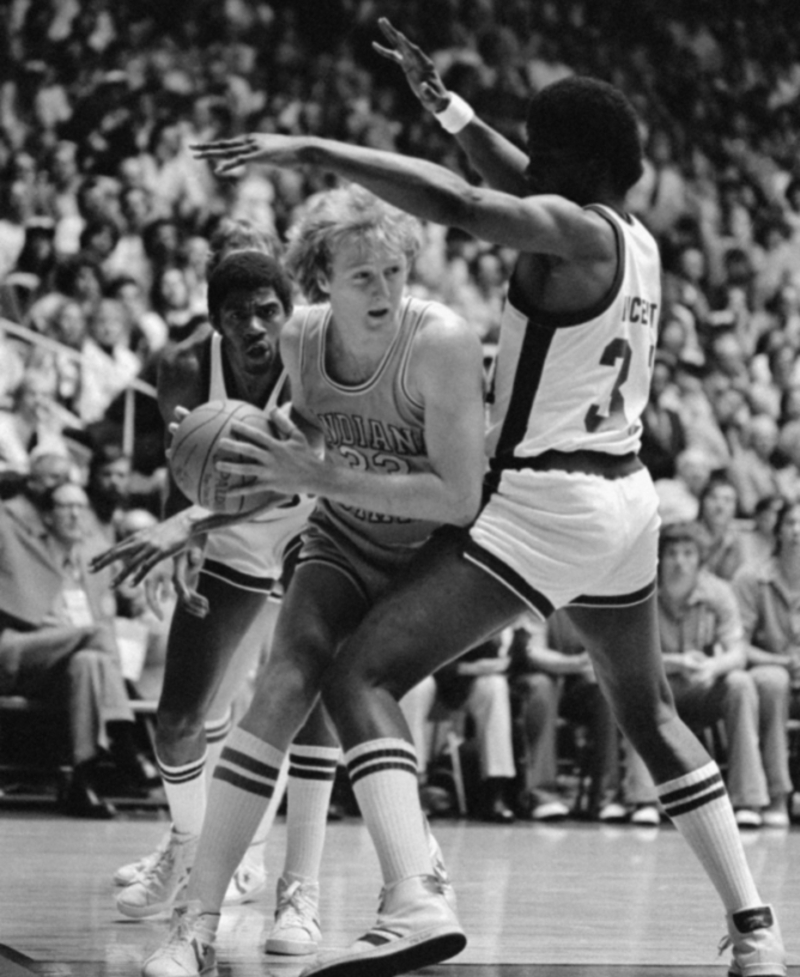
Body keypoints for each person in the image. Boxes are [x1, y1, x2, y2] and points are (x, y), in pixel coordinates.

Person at [187, 20, 787, 977]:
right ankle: (758, 931)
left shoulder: (573, 234)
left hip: (544, 504)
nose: (526, 160)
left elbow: (468, 197)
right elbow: (510, 174)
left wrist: (315, 148)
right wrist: (449, 108)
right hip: (627, 506)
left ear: (566, 166)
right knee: (650, 712)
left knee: (357, 674)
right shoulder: (632, 237)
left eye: (539, 150)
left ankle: (416, 903)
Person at [136, 182, 485, 977]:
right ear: (321, 275)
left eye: (397, 272)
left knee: (354, 682)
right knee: (280, 686)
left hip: (434, 553)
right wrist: (194, 520)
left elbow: (459, 497)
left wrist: (320, 476)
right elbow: (285, 469)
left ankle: (390, 884)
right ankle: (194, 922)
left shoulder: (442, 341)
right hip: (340, 537)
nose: (387, 292)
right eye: (365, 276)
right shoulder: (297, 343)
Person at [90, 249, 317, 918]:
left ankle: (256, 861)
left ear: (289, 312)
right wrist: (178, 540)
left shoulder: (312, 360)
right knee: (179, 720)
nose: (255, 328)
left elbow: (296, 475)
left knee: (291, 702)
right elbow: (185, 466)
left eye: (268, 312)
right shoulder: (186, 366)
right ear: (214, 321)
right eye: (238, 315)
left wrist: (184, 526)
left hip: (310, 522)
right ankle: (188, 840)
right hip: (226, 525)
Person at [0, 479, 145, 818]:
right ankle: (125, 739)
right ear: (46, 516)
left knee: (90, 661)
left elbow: (131, 596)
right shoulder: (20, 547)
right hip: (20, 651)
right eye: (66, 506)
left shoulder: (92, 560)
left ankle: (83, 779)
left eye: (81, 507)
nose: (75, 514)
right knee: (94, 633)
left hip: (65, 666)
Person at [622, 521, 771, 829]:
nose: (680, 561)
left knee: (741, 684)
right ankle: (644, 799)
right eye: (673, 553)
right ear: (661, 558)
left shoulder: (719, 591)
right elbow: (630, 657)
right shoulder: (642, 591)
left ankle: (748, 800)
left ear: (700, 560)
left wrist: (712, 667)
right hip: (659, 690)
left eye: (688, 553)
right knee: (636, 687)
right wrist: (676, 662)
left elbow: (737, 652)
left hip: (702, 687)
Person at [510, 610, 622, 823]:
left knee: (605, 692)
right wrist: (579, 662)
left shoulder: (595, 600)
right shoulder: (543, 593)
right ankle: (543, 795)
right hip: (536, 680)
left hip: (574, 685)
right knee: (542, 687)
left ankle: (605, 798)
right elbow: (535, 653)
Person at [732, 499, 800, 828]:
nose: (798, 531)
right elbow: (736, 644)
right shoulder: (750, 577)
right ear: (778, 530)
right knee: (774, 681)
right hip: (765, 670)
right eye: (791, 523)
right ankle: (776, 795)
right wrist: (782, 661)